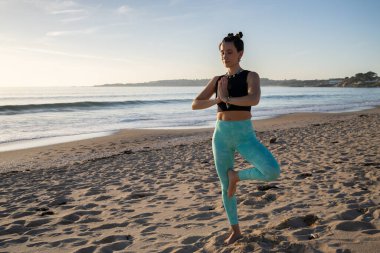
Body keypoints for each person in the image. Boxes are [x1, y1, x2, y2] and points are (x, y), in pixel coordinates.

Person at [191, 32, 281, 245]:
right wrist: (217, 101)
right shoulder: (217, 80)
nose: (225, 56)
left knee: (271, 171)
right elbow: (195, 103)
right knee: (225, 186)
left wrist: (228, 99)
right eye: (222, 53)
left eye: (229, 52)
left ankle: (237, 176)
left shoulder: (251, 76)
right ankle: (235, 230)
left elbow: (254, 99)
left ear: (240, 53)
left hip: (244, 135)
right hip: (221, 135)